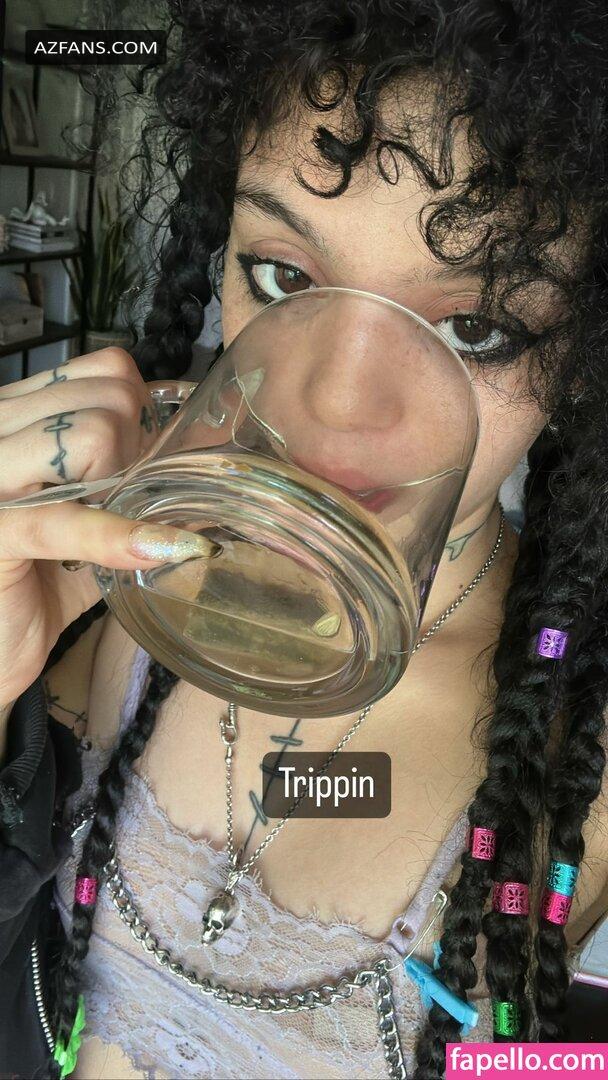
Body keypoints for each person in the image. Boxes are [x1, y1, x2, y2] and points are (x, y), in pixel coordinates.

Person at [1, 2, 607, 1077]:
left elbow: (543, 1055)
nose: (334, 405)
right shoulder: (99, 603)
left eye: (475, 329)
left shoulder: (575, 765)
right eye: (283, 276)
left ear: (579, 361)